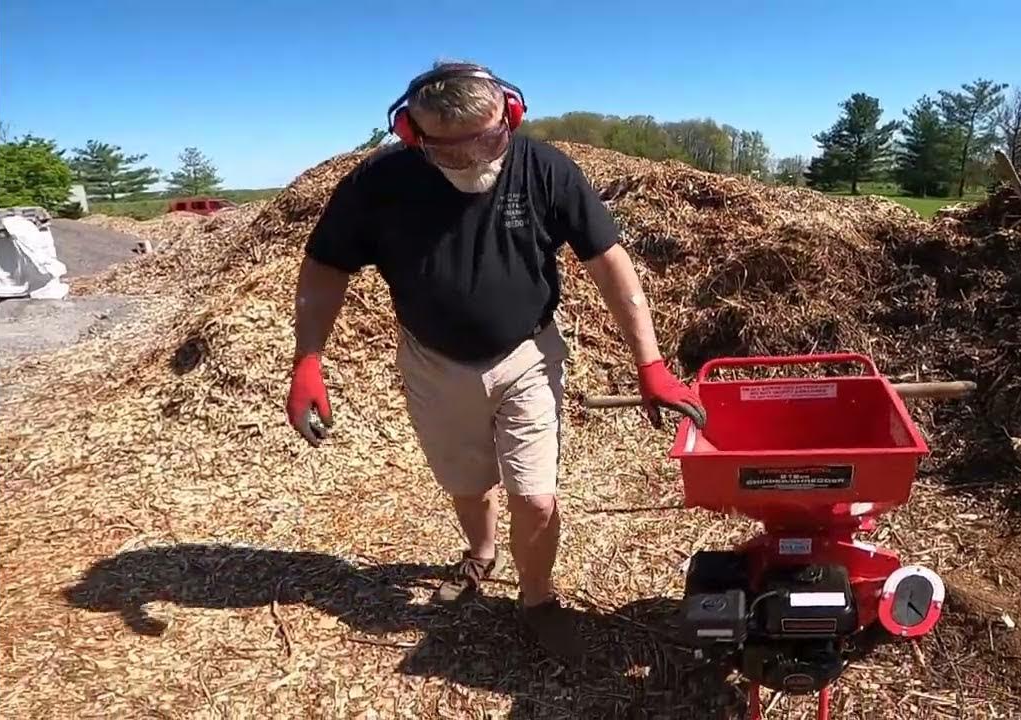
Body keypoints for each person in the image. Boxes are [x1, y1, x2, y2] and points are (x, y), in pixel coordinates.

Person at [283, 61, 706, 662]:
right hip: (431, 359)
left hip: (527, 353)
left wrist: (651, 362)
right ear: (412, 134)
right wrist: (308, 360)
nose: (472, 158)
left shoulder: (545, 170)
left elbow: (610, 263)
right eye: (447, 149)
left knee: (534, 495)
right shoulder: (378, 184)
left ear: (510, 116)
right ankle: (481, 552)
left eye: (487, 139)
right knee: (465, 481)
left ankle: (537, 601)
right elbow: (325, 267)